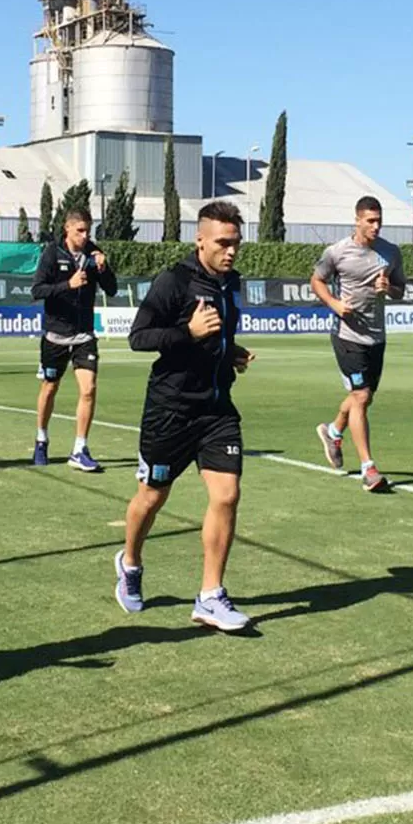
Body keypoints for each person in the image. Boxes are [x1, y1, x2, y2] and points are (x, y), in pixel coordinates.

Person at [114, 202, 255, 632]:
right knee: (152, 498)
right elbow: (138, 337)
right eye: (223, 243)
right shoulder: (173, 281)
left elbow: (219, 336)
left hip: (216, 410)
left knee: (226, 494)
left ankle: (210, 595)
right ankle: (130, 561)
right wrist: (187, 333)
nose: (231, 252)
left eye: (236, 244)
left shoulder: (233, 286)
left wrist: (231, 353)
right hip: (170, 411)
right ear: (200, 240)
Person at [310, 196, 405, 492]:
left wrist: (388, 288)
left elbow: (401, 291)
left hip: (376, 336)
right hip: (346, 335)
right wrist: (335, 304)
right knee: (361, 396)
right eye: (370, 221)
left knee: (363, 398)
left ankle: (334, 431)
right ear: (357, 220)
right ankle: (369, 469)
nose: (376, 226)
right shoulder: (337, 252)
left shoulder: (391, 253)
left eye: (379, 220)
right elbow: (316, 280)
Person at [30, 209, 118, 471]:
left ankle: (80, 448)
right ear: (67, 229)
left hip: (84, 335)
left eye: (88, 230)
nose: (85, 235)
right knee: (49, 387)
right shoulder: (52, 253)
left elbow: (111, 289)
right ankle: (41, 437)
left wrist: (104, 268)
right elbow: (37, 290)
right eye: (80, 230)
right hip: (55, 335)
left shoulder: (94, 253)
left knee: (88, 388)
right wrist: (67, 285)